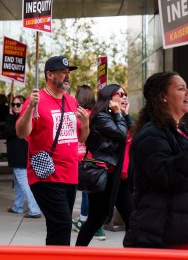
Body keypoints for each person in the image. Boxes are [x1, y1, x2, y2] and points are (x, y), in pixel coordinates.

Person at [16, 56, 90, 246]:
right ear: (49, 75)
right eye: (62, 73)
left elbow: (81, 138)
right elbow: (22, 133)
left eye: (68, 73)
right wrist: (30, 108)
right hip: (46, 175)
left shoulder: (72, 101)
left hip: (70, 173)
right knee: (63, 224)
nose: (67, 76)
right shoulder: (37, 100)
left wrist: (86, 124)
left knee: (57, 226)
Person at [124, 72, 188, 249]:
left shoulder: (180, 131)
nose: (187, 93)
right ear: (163, 97)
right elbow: (166, 176)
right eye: (181, 89)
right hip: (160, 236)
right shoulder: (151, 133)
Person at [76, 84, 133, 246]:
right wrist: (118, 114)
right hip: (106, 176)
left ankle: (132, 253)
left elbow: (134, 132)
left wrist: (125, 114)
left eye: (126, 94)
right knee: (95, 220)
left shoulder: (119, 116)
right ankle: (77, 253)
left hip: (121, 178)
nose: (124, 97)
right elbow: (121, 134)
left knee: (132, 218)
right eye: (120, 94)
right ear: (109, 97)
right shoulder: (101, 117)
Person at [71, 85, 106, 240]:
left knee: (84, 192)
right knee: (94, 192)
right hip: (96, 158)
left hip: (78, 158)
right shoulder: (97, 116)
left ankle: (86, 221)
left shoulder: (74, 115)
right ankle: (94, 224)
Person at [4, 95, 42, 218]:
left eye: (18, 104)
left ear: (23, 105)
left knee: (24, 183)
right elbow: (7, 132)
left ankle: (34, 209)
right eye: (13, 105)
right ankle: (18, 206)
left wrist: (10, 117)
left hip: (21, 156)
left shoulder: (22, 119)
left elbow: (10, 132)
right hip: (18, 156)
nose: (15, 107)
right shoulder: (15, 118)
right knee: (18, 183)